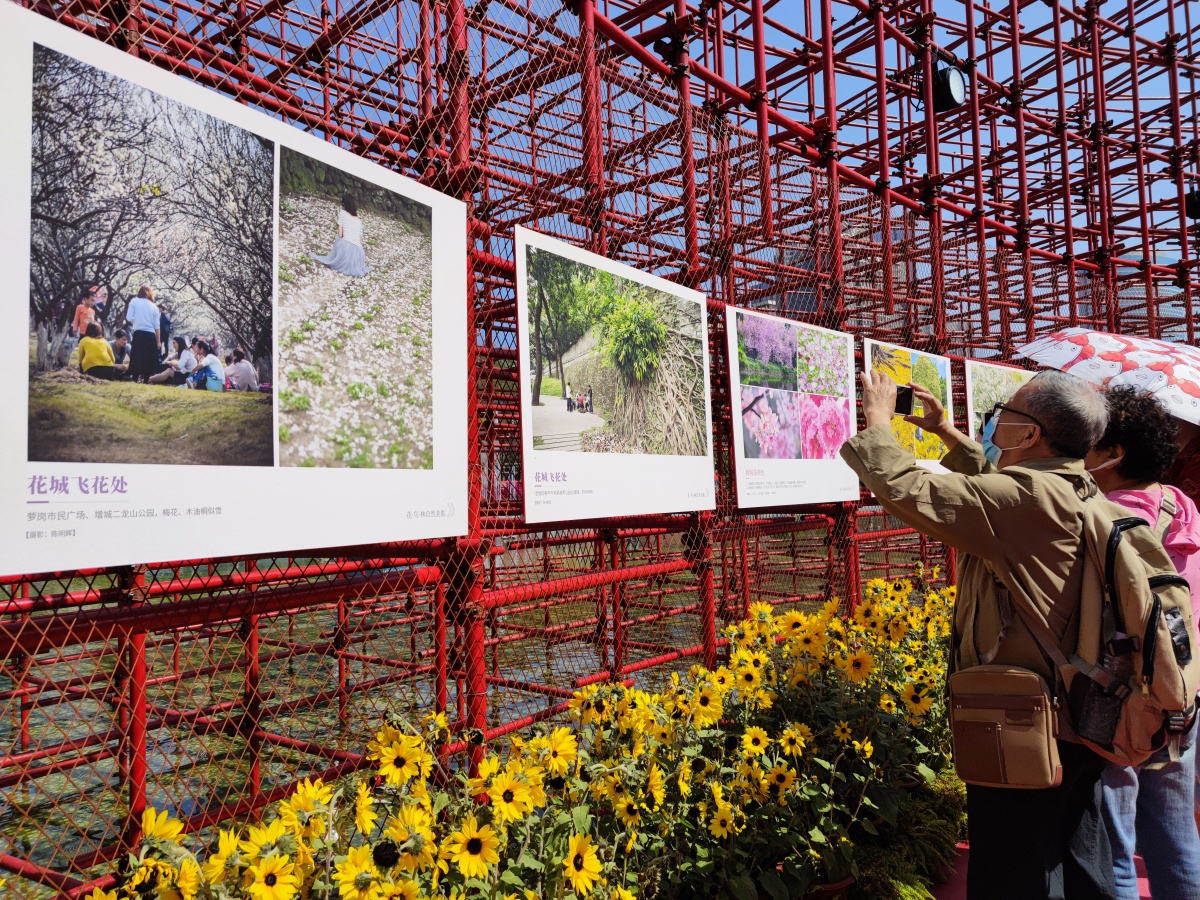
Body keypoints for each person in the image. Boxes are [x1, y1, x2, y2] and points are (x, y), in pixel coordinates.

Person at [840, 368, 1117, 900]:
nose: (996, 420)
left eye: (1005, 413)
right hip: (1079, 707)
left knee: (1014, 872)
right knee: (1078, 853)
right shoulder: (1074, 485)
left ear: (1029, 434)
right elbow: (991, 488)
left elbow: (907, 490)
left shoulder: (1031, 498)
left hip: (1024, 721)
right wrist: (946, 433)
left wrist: (878, 420)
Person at [1083, 386, 1200, 900]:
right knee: (1176, 831)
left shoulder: (1100, 515)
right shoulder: (1181, 505)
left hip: (1121, 691)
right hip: (1184, 686)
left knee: (1115, 842)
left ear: (1112, 455)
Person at [313, 194, 372, 277]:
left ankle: (339, 259)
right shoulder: (359, 221)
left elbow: (340, 234)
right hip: (359, 254)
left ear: (344, 204)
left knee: (339, 239)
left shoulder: (342, 213)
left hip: (345, 249)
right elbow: (360, 241)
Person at [124, 285, 161, 383]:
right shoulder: (154, 306)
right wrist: (158, 341)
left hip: (138, 333)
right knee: (148, 358)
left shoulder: (134, 301)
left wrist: (136, 321)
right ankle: (146, 379)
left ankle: (135, 378)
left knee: (137, 357)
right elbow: (157, 326)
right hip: (150, 335)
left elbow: (128, 318)